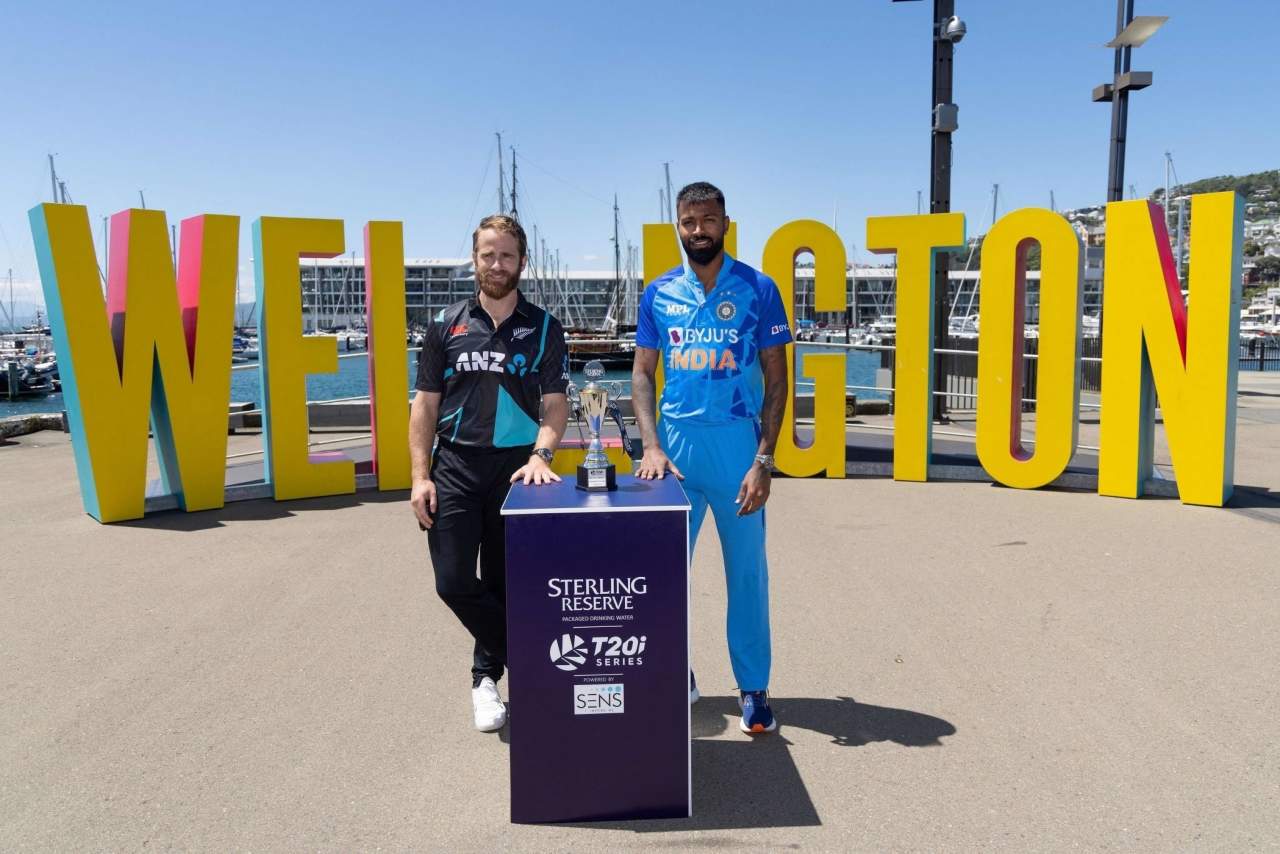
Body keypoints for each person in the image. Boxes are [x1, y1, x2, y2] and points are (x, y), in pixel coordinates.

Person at [631, 181, 791, 734]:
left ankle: (753, 689)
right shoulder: (658, 293)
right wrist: (651, 445)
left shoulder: (758, 288)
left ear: (725, 222)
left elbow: (776, 378)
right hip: (675, 451)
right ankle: (675, 672)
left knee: (746, 574)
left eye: (707, 220)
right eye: (688, 222)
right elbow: (643, 374)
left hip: (736, 448)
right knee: (662, 575)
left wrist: (764, 460)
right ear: (678, 227)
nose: (697, 230)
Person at [409, 214, 569, 732]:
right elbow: (425, 407)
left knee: (504, 583)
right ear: (474, 259)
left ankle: (485, 681)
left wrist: (540, 456)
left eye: (506, 255)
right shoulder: (444, 325)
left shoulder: (545, 327)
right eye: (487, 254)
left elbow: (556, 405)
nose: (496, 264)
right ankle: (533, 657)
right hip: (453, 467)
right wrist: (420, 475)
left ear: (522, 262)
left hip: (518, 472)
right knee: (453, 581)